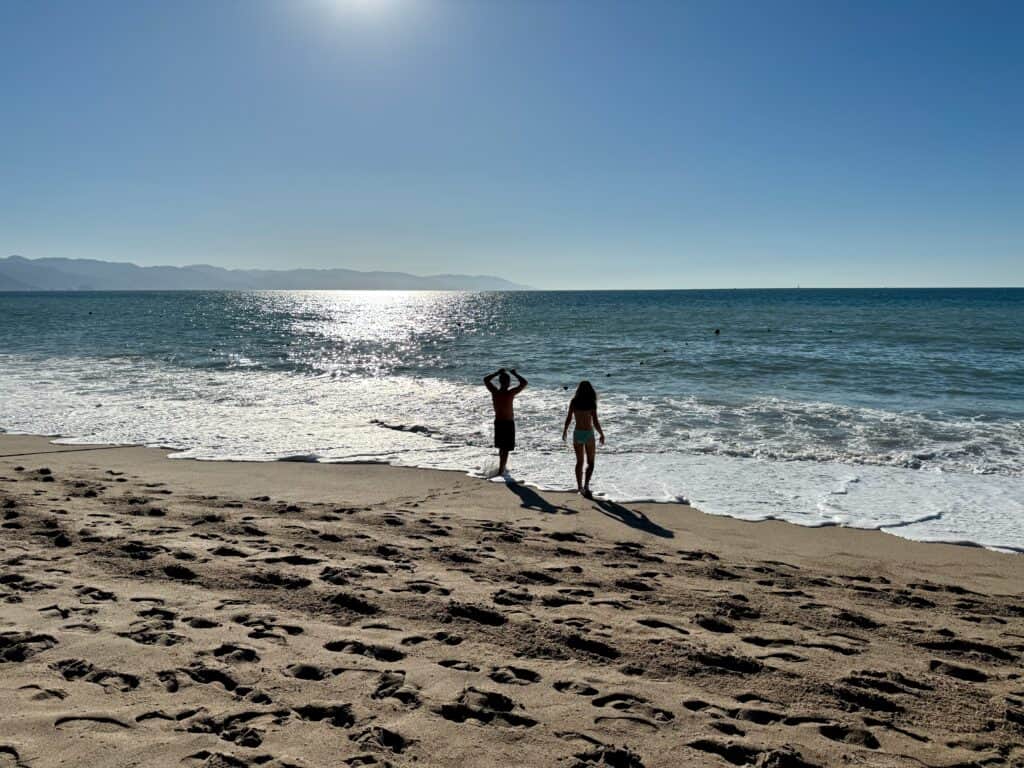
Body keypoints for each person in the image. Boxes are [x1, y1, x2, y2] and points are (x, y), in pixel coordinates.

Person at [561, 380, 605, 498]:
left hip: (578, 433)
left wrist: (565, 430)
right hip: (588, 434)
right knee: (591, 462)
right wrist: (601, 433)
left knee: (579, 462)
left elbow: (569, 418)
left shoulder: (574, 402)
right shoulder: (591, 403)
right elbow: (595, 421)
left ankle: (579, 487)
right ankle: (586, 486)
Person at [483, 367, 528, 476]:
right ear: (508, 383)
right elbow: (524, 383)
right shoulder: (510, 393)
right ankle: (501, 470)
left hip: (499, 422)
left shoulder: (495, 392)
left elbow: (486, 380)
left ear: (500, 382)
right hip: (507, 423)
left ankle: (502, 468)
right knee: (505, 448)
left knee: (502, 448)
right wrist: (515, 374)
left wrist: (497, 373)